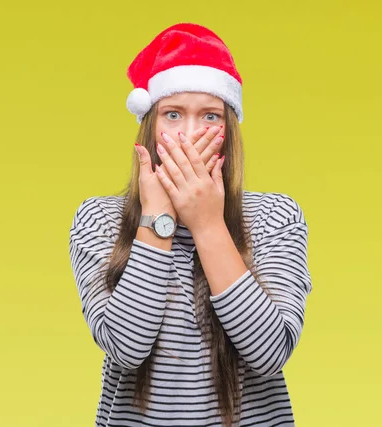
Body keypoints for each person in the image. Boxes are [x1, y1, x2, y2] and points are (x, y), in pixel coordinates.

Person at [68, 22, 313, 427]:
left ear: (229, 133)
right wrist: (159, 218)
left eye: (210, 116)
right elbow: (126, 347)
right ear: (149, 127)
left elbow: (269, 353)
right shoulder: (99, 220)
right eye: (173, 115)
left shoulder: (275, 217)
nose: (188, 135)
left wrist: (207, 224)